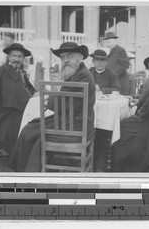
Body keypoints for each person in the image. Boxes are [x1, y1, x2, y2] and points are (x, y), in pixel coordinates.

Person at [9, 42, 96, 172]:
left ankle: (28, 171)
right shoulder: (76, 73)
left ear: (79, 57)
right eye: (62, 57)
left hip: (76, 128)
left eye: (69, 56)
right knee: (32, 127)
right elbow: (64, 102)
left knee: (31, 131)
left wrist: (50, 100)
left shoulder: (82, 75)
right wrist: (53, 99)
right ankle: (28, 169)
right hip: (71, 122)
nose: (65, 60)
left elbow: (61, 105)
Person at [112, 54, 149, 172]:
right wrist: (139, 101)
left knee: (119, 126)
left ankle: (120, 167)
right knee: (122, 123)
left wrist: (138, 114)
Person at [0, 43, 36, 158]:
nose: (16, 59)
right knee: (31, 121)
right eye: (14, 56)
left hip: (15, 108)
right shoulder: (2, 71)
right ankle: (19, 150)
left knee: (35, 117)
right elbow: (7, 97)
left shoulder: (21, 72)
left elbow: (30, 90)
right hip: (2, 113)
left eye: (20, 57)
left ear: (23, 59)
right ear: (8, 57)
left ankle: (26, 149)